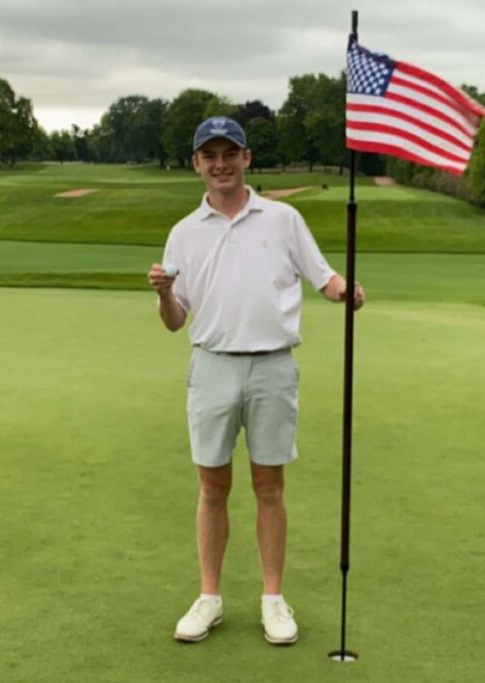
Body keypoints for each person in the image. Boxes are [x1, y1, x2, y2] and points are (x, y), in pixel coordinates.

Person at [147, 116, 365, 645]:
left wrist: (345, 291)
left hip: (272, 367)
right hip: (212, 366)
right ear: (196, 164)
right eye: (210, 156)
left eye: (230, 154)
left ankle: (273, 600)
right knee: (211, 486)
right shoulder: (184, 232)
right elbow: (176, 320)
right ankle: (209, 598)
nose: (220, 165)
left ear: (247, 158)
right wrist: (164, 294)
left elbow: (323, 277)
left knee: (269, 487)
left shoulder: (283, 219)